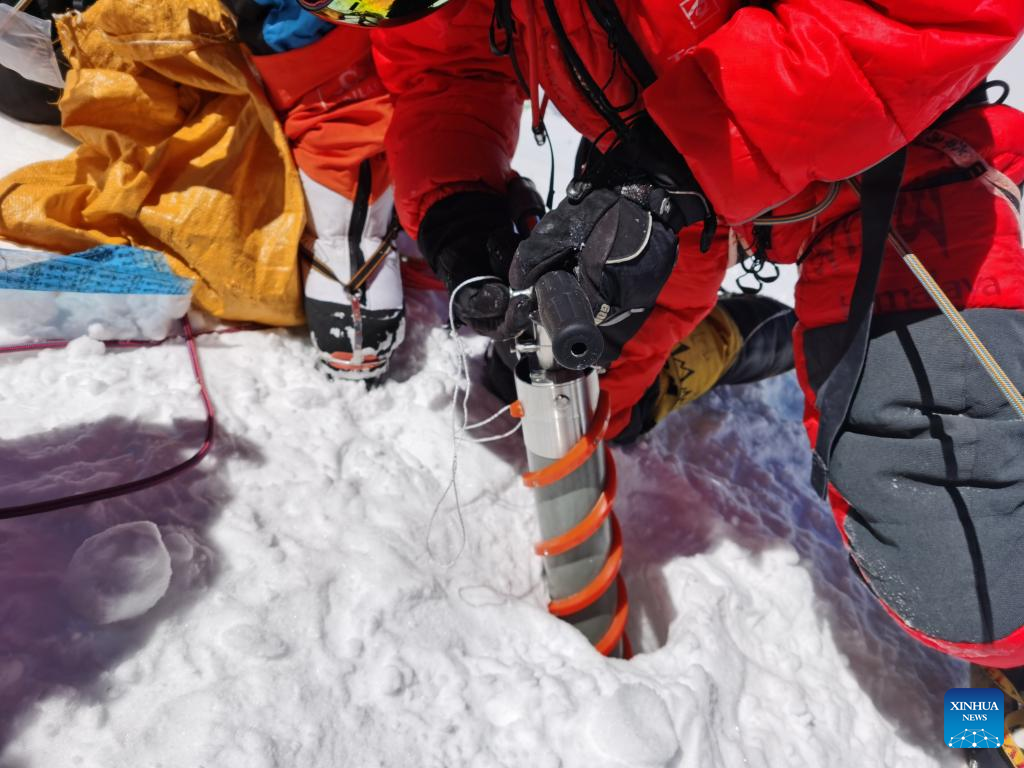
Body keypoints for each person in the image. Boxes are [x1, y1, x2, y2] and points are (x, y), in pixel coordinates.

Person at [302, 0, 1024, 690]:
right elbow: (447, 65)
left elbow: (933, 10)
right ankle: (725, 340)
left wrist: (676, 159)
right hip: (675, 185)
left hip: (902, 160)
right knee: (561, 385)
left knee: (973, 587)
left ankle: (1011, 673)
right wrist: (461, 205)